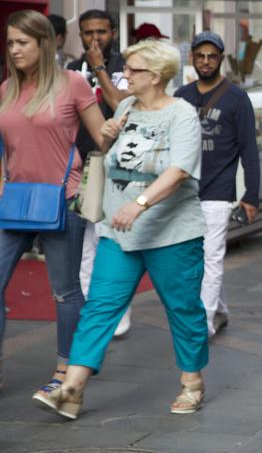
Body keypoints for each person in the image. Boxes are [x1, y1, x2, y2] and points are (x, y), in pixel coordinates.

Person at [34, 39, 208, 420]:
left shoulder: (182, 115)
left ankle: (191, 381)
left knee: (182, 308)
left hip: (171, 232)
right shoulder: (127, 107)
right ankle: (73, 387)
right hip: (119, 230)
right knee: (100, 307)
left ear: (157, 76)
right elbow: (112, 155)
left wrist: (140, 204)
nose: (124, 75)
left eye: (132, 70)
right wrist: (110, 137)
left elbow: (179, 171)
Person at [0, 11, 105, 399]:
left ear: (44, 44)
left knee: (64, 291)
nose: (14, 50)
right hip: (13, 203)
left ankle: (64, 371)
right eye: (10, 43)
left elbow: (100, 139)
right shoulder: (7, 89)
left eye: (22, 42)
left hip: (63, 199)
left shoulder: (72, 84)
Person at [174, 31, 260, 336]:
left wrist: (251, 195)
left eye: (212, 56)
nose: (206, 61)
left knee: (211, 256)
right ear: (192, 58)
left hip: (219, 192)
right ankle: (219, 309)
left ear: (221, 59)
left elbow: (249, 149)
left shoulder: (237, 98)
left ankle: (205, 323)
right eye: (201, 55)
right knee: (195, 258)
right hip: (183, 191)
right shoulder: (181, 96)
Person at [66, 10, 132, 336]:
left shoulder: (126, 68)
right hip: (81, 166)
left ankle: (119, 313)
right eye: (88, 32)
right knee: (84, 243)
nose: (95, 39)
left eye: (102, 32)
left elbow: (120, 105)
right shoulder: (69, 70)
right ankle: (91, 311)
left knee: (115, 240)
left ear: (114, 33)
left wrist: (99, 68)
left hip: (118, 167)